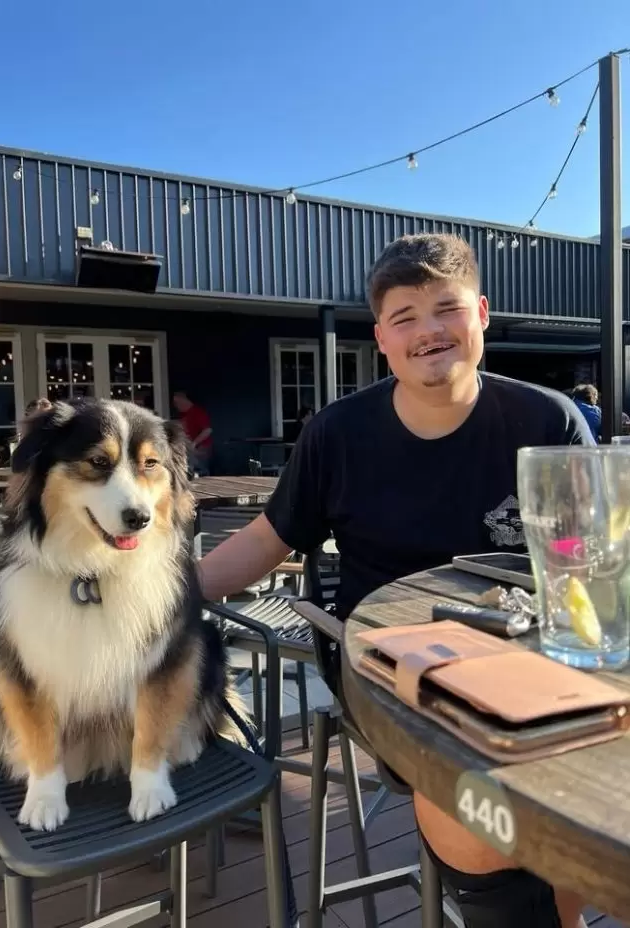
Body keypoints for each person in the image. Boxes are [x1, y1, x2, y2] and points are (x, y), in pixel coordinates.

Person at [199, 233, 592, 928]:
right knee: (470, 792)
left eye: (447, 308)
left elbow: (589, 563)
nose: (429, 331)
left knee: (565, 795)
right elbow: (266, 541)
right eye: (406, 317)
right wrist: (156, 596)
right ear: (382, 337)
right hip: (385, 675)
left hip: (534, 663)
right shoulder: (337, 433)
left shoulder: (546, 421)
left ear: (482, 313)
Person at [173, 391, 213, 475]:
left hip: (200, 449)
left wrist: (194, 443)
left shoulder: (197, 412)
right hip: (188, 449)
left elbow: (207, 430)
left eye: (177, 402)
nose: (175, 405)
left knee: (200, 472)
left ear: (184, 400)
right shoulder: (183, 414)